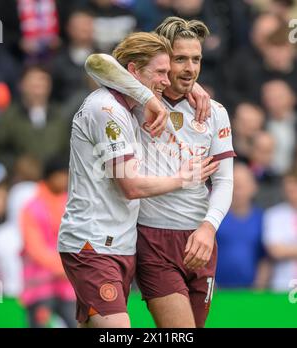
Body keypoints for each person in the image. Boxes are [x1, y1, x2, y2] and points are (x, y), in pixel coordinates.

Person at [58, 31, 218, 329]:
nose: (166, 81)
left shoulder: (129, 108)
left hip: (119, 244)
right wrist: (185, 178)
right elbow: (130, 186)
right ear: (132, 72)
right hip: (92, 245)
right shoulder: (106, 109)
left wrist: (193, 87)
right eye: (160, 72)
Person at [20, 157, 76, 328]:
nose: (64, 180)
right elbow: (34, 247)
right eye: (60, 175)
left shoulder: (73, 203)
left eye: (66, 176)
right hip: (40, 284)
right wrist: (62, 267)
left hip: (68, 285)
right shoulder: (32, 207)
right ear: (49, 176)